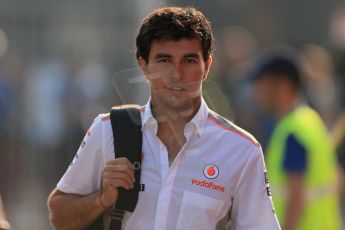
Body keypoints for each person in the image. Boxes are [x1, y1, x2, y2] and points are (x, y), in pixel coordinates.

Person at [47, 7, 280, 230]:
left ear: (206, 66)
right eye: (164, 60)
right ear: (144, 66)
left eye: (189, 60)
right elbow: (58, 216)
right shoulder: (107, 130)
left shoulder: (242, 150)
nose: (176, 74)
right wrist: (102, 199)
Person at [253, 55, 341, 230]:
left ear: (282, 86)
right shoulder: (311, 120)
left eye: (262, 84)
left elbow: (296, 199)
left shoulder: (292, 132)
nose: (257, 92)